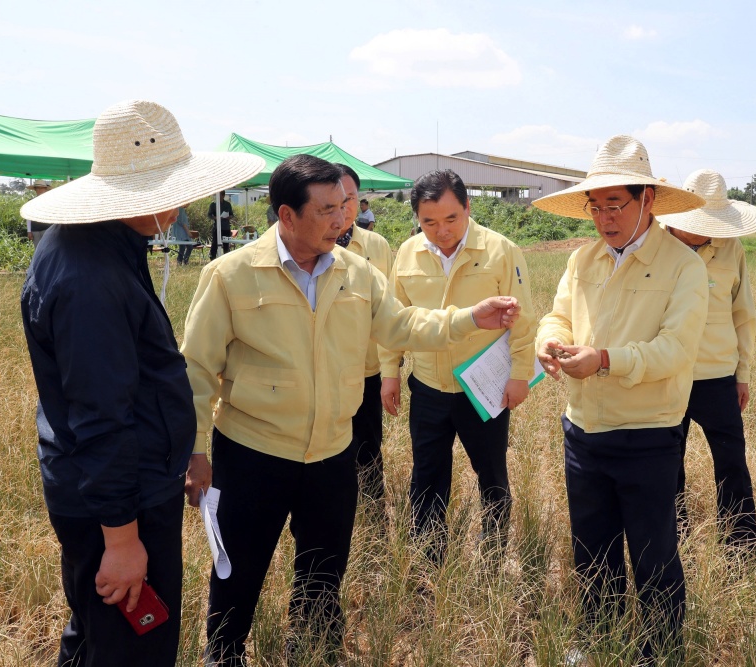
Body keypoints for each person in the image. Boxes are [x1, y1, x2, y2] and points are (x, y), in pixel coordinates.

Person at [181, 154, 520, 665]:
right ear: (286, 216)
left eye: (345, 206)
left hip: (332, 453)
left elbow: (403, 327)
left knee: (322, 571)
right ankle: (224, 652)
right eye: (326, 210)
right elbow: (197, 373)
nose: (341, 220)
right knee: (239, 569)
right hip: (254, 451)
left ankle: (313, 650)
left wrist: (470, 317)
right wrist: (195, 452)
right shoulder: (231, 276)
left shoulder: (358, 273)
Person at [19, 99, 263, 667]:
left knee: (98, 637)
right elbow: (101, 417)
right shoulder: (90, 277)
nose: (183, 202)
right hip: (116, 503)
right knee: (134, 649)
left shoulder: (101, 246)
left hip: (123, 489)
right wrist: (122, 540)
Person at [533, 135, 707, 661]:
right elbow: (558, 314)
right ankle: (598, 642)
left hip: (648, 434)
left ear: (648, 200)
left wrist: (605, 359)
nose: (605, 217)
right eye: (596, 206)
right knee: (592, 549)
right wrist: (548, 340)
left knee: (654, 555)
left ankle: (659, 652)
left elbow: (674, 351)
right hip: (582, 429)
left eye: (616, 204)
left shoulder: (683, 267)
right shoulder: (583, 261)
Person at [380, 169, 536, 564]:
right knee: (427, 476)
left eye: (451, 218)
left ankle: (494, 554)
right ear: (416, 217)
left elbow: (523, 319)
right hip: (429, 387)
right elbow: (393, 321)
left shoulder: (500, 250)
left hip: (483, 389)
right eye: (429, 222)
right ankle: (429, 560)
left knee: (492, 474)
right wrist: (390, 372)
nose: (441, 231)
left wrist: (519, 376)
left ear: (468, 207)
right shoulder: (407, 253)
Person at [659, 168, 756, 555]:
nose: (702, 232)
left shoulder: (731, 248)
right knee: (668, 462)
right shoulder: (656, 245)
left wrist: (743, 375)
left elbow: (743, 313)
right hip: (666, 373)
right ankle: (675, 537)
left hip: (718, 376)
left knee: (732, 463)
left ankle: (740, 546)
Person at [332, 163, 394, 519]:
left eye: (350, 199)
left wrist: (390, 370)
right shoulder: (306, 245)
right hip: (323, 369)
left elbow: (391, 312)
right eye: (333, 200)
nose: (342, 207)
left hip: (366, 367)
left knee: (369, 447)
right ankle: (338, 514)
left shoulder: (376, 245)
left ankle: (373, 522)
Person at [25, 180, 52, 249]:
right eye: (37, 188)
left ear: (45, 189)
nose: (39, 190)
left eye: (41, 188)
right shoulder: (31, 202)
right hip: (35, 230)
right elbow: (28, 216)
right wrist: (29, 231)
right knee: (37, 250)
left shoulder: (50, 201)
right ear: (35, 190)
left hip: (47, 228)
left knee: (48, 249)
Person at [208, 191, 234, 259]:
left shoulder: (228, 204)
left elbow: (232, 214)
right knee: (215, 244)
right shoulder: (213, 204)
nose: (218, 197)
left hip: (226, 227)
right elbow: (209, 215)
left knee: (226, 244)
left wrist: (229, 217)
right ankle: (212, 258)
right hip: (217, 227)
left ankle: (226, 259)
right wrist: (215, 218)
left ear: (223, 195)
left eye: (219, 195)